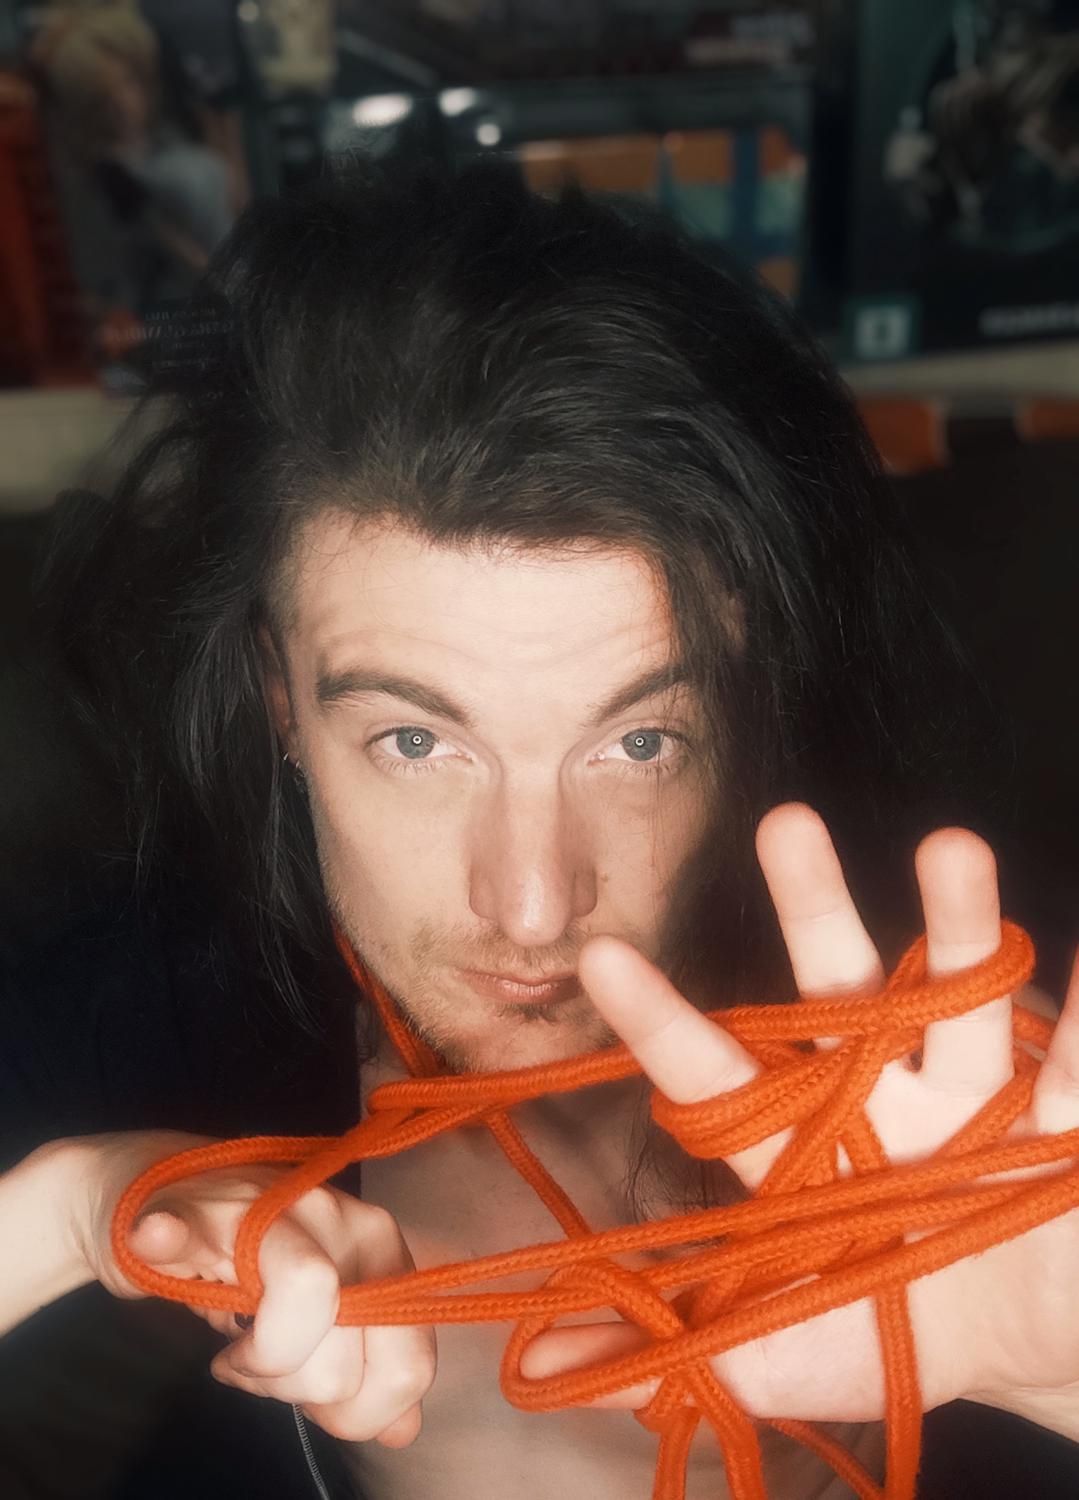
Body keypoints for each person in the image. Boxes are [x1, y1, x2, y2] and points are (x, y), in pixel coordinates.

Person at [2, 159, 1078, 1500]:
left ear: (746, 704)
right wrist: (73, 1210)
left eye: (638, 741)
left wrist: (1059, 1383)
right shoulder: (116, 1024)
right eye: (416, 742)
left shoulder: (977, 1055)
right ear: (279, 694)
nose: (531, 905)